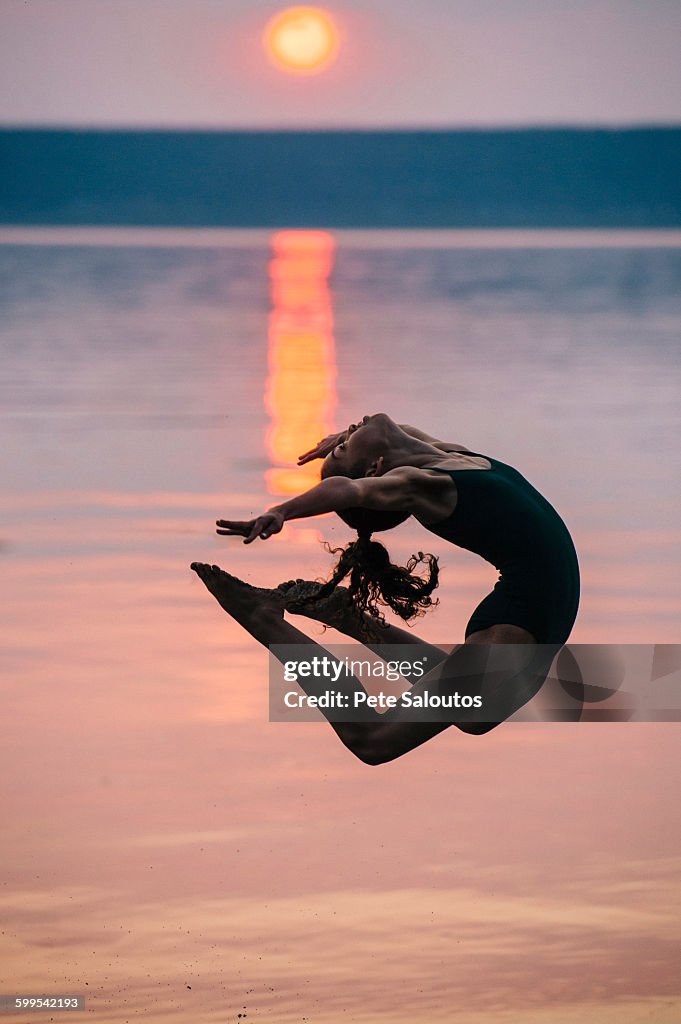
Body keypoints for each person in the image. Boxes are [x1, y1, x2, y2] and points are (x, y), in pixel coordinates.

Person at [191, 414, 580, 764]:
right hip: (515, 622)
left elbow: (400, 433)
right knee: (373, 741)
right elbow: (349, 490)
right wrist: (282, 512)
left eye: (342, 445)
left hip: (533, 619)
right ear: (378, 469)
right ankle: (263, 620)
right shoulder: (425, 485)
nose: (349, 433)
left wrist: (345, 438)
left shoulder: (447, 455)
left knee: (475, 717)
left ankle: (352, 619)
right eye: (345, 448)